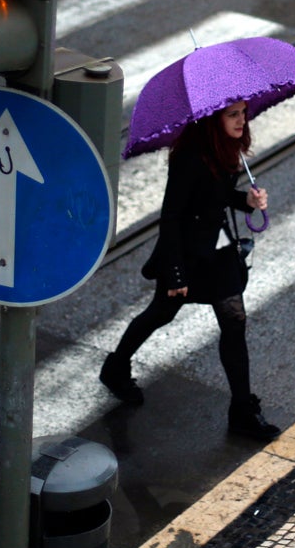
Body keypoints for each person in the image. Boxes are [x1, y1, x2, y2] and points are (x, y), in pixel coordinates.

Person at [99, 100, 281, 441]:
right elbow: (171, 217)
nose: (242, 120)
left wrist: (247, 201)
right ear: (214, 119)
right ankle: (116, 367)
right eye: (233, 115)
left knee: (234, 322)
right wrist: (176, 274)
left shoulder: (224, 148)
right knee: (161, 313)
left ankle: (242, 409)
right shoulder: (189, 157)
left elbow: (219, 194)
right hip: (186, 255)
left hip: (218, 251)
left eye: (243, 113)